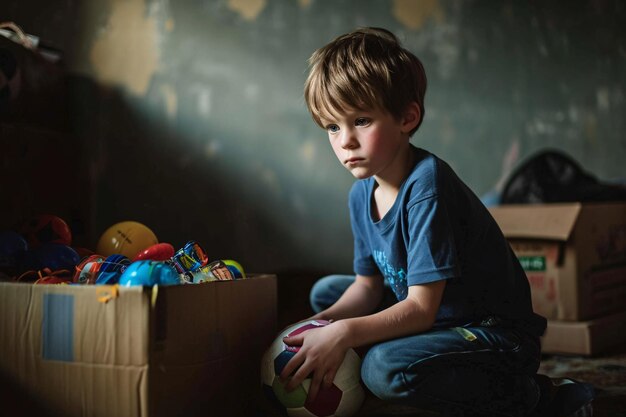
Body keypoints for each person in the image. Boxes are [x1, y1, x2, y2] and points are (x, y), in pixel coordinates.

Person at [279, 27, 594, 417]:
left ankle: (534, 395)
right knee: (327, 294)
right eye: (332, 126)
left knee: (382, 368)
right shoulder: (360, 194)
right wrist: (319, 325)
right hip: (433, 317)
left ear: (407, 118)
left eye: (360, 120)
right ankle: (384, 367)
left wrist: (343, 333)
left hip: (490, 332)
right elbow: (366, 286)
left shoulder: (428, 186)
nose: (345, 141)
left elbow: (422, 309)